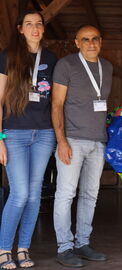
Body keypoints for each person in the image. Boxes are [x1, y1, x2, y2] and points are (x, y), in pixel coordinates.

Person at [52, 25, 112, 268]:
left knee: (90, 195)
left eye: (95, 39)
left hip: (98, 141)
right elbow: (56, 104)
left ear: (101, 41)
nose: (91, 43)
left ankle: (83, 243)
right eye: (85, 39)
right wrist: (61, 141)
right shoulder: (66, 65)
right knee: (66, 194)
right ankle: (64, 247)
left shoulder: (107, 67)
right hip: (73, 141)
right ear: (77, 43)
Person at [0, 10, 57, 269]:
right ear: (20, 28)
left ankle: (23, 248)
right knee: (20, 193)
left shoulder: (52, 59)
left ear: (43, 29)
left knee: (34, 195)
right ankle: (4, 250)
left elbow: (56, 102)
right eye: (29, 24)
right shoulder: (8, 57)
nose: (35, 28)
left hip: (44, 134)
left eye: (39, 24)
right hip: (15, 133)